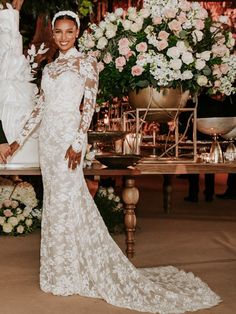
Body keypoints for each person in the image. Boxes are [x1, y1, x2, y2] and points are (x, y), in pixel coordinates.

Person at [8, 11, 220, 313]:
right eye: (59, 32)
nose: (64, 37)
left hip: (69, 141)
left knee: (71, 201)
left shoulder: (86, 64)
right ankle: (59, 272)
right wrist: (17, 141)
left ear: (77, 33)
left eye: (69, 32)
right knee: (55, 203)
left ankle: (75, 270)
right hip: (48, 144)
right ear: (53, 34)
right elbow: (40, 108)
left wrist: (78, 143)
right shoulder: (49, 68)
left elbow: (89, 108)